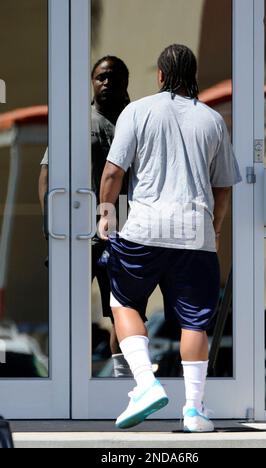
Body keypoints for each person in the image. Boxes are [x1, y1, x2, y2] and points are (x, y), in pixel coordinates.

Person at [99, 44, 242, 431]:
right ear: (193, 76)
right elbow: (223, 188)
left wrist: (106, 213)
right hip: (195, 233)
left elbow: (113, 173)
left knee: (123, 300)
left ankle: (145, 382)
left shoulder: (138, 111)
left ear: (160, 75)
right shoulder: (213, 120)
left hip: (145, 228)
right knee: (194, 323)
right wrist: (213, 229)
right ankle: (194, 410)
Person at [38, 56, 132, 377]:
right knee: (70, 309)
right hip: (80, 235)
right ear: (92, 82)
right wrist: (52, 225)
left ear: (125, 84)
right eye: (100, 77)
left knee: (124, 310)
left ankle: (122, 377)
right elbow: (48, 176)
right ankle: (65, 378)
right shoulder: (77, 123)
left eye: (114, 78)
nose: (106, 83)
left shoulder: (134, 123)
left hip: (124, 234)